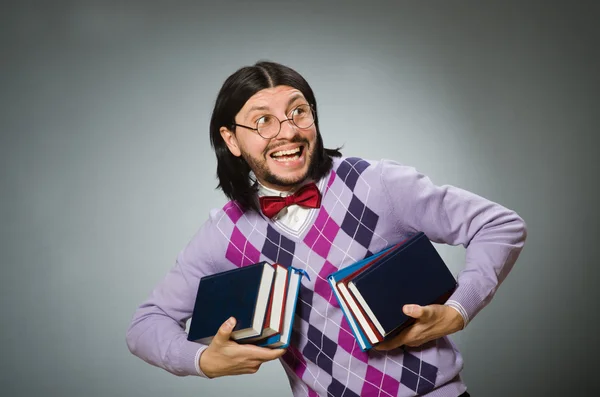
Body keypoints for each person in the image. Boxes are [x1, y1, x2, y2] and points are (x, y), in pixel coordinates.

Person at [126, 61, 527, 397]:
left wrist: (459, 310)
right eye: (262, 121)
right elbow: (147, 324)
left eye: (298, 111)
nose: (287, 131)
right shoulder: (226, 233)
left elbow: (499, 225)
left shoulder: (376, 184)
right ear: (232, 140)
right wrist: (201, 360)